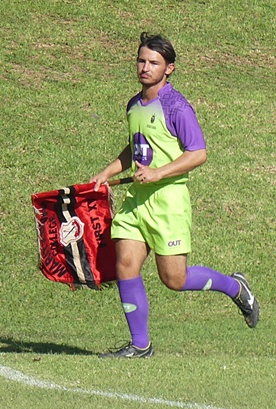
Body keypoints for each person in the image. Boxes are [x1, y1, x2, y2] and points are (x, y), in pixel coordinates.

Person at [90, 33, 259, 358]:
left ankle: (235, 286)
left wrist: (157, 173)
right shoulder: (134, 105)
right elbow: (138, 146)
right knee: (125, 263)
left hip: (168, 202)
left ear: (169, 69)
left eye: (153, 63)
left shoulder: (176, 106)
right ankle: (140, 345)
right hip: (137, 202)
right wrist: (107, 172)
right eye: (141, 60)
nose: (145, 67)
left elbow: (198, 153)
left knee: (174, 279)